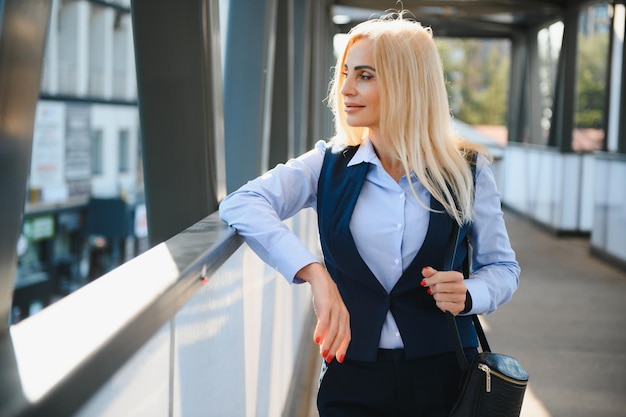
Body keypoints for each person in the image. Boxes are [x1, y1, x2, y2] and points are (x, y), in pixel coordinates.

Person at [219, 11, 520, 417]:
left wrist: (470, 293)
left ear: (406, 82)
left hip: (447, 375)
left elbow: (503, 268)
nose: (345, 89)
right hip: (353, 375)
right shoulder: (326, 165)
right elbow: (241, 203)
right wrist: (315, 274)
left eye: (365, 75)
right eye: (345, 73)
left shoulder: (467, 170)